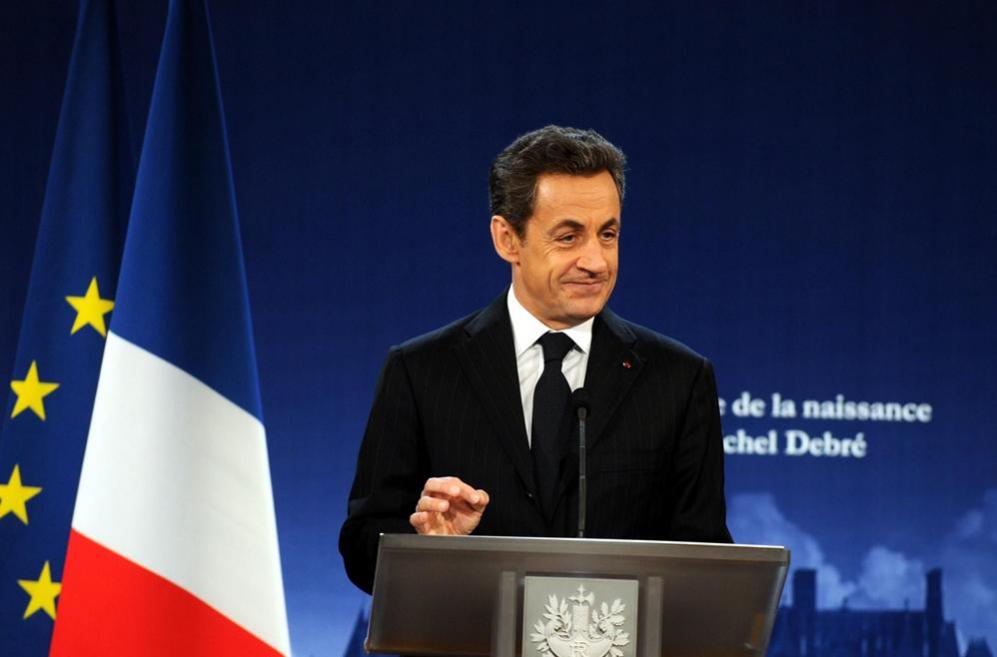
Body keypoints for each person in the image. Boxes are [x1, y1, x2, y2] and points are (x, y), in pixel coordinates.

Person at [339, 125, 732, 594]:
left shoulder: (679, 379)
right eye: (569, 237)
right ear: (507, 239)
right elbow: (362, 545)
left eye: (608, 234)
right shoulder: (421, 370)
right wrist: (429, 545)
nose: (597, 261)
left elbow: (705, 557)